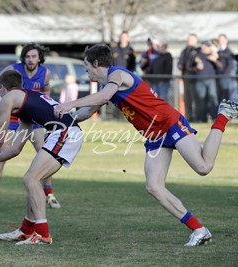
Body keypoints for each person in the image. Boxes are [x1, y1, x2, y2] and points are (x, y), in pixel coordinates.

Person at [54, 44, 238, 247]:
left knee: (204, 167)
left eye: (86, 65)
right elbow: (87, 112)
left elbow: (104, 97)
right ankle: (199, 230)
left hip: (169, 123)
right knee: (154, 187)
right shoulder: (106, 85)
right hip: (154, 135)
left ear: (96, 63)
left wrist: (70, 103)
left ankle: (222, 115)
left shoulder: (117, 75)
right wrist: (64, 120)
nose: (86, 69)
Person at [0, 70, 83, 245]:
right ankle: (27, 230)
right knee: (33, 179)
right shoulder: (26, 102)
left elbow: (0, 137)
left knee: (31, 178)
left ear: (1, 88)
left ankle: (43, 235)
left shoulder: (8, 99)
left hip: (65, 133)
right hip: (66, 132)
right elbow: (15, 149)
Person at [0, 42, 61, 210]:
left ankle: (49, 194)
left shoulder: (45, 73)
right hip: (12, 117)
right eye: (27, 56)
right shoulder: (13, 69)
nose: (31, 59)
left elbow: (46, 90)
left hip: (32, 119)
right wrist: (0, 100)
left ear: (40, 58)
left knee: (44, 151)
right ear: (23, 58)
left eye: (34, 56)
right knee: (3, 152)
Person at [188, 40, 219, 122]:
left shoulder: (212, 55)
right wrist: (196, 68)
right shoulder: (195, 55)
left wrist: (215, 59)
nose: (209, 48)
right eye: (207, 46)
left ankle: (214, 118)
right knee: (201, 100)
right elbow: (189, 68)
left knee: (213, 99)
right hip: (200, 80)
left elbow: (220, 67)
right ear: (203, 46)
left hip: (211, 80)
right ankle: (202, 119)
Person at [178, 33, 199, 121]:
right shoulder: (184, 51)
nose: (189, 41)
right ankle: (189, 117)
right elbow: (180, 62)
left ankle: (197, 117)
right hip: (186, 78)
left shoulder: (198, 50)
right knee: (187, 99)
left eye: (191, 39)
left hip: (195, 79)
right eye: (188, 39)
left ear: (196, 41)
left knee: (196, 99)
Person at [215, 34, 235, 101]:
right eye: (220, 40)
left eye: (222, 40)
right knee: (219, 98)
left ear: (226, 41)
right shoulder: (217, 51)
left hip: (225, 78)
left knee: (225, 98)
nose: (221, 42)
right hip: (218, 78)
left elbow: (230, 65)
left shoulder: (228, 52)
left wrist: (224, 75)